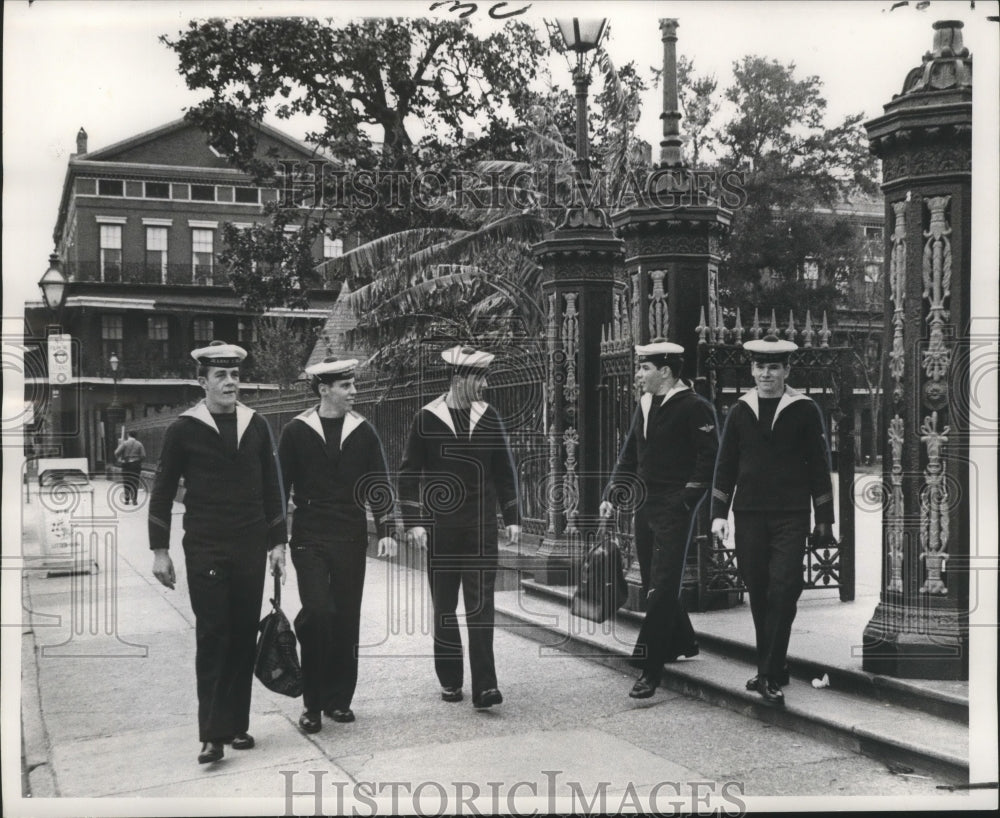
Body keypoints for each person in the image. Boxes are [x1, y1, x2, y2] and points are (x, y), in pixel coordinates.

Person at [148, 341, 287, 764]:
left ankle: (237, 725)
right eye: (221, 376)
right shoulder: (183, 429)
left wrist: (278, 542)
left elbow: (272, 488)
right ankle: (212, 734)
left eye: (235, 375)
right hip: (205, 545)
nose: (231, 383)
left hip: (249, 544)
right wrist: (160, 551)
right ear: (202, 381)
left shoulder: (256, 424)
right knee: (213, 635)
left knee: (244, 635)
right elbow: (163, 490)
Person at [710, 334, 836, 707]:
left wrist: (824, 518)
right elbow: (725, 464)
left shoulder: (804, 408)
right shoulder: (739, 410)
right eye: (760, 366)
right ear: (752, 369)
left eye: (774, 367)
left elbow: (819, 465)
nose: (766, 373)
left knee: (783, 589)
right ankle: (774, 665)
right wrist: (718, 513)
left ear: (786, 370)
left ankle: (766, 674)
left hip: (791, 515)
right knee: (760, 589)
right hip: (748, 514)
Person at [277, 357, 398, 734]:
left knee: (345, 617)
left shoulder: (363, 431)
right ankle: (311, 704)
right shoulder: (296, 430)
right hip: (309, 536)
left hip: (349, 535)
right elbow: (279, 487)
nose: (354, 393)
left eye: (354, 385)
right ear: (323, 389)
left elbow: (378, 482)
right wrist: (276, 540)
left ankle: (338, 700)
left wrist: (388, 529)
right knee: (317, 613)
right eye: (346, 386)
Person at [399, 345, 520, 709]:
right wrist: (415, 523)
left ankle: (486, 686)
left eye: (484, 377)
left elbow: (504, 470)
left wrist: (512, 516)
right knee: (445, 607)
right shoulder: (426, 417)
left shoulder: (489, 416)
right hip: (441, 530)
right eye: (477, 378)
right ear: (458, 379)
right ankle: (450, 678)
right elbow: (408, 475)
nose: (483, 385)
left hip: (480, 527)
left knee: (481, 606)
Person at [600, 341, 719, 699]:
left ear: (665, 372)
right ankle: (683, 640)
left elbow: (708, 460)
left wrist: (685, 503)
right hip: (645, 507)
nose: (638, 375)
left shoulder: (696, 408)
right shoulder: (646, 404)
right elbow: (630, 455)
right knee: (655, 579)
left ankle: (650, 669)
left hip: (674, 510)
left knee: (663, 584)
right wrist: (612, 496)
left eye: (644, 368)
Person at [114, 430, 146, 505]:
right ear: (136, 436)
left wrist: (119, 459)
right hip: (136, 465)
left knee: (126, 481)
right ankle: (134, 500)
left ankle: (127, 499)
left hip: (126, 464)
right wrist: (138, 461)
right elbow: (143, 455)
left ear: (128, 435)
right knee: (135, 481)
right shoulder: (139, 444)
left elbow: (116, 453)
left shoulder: (124, 443)